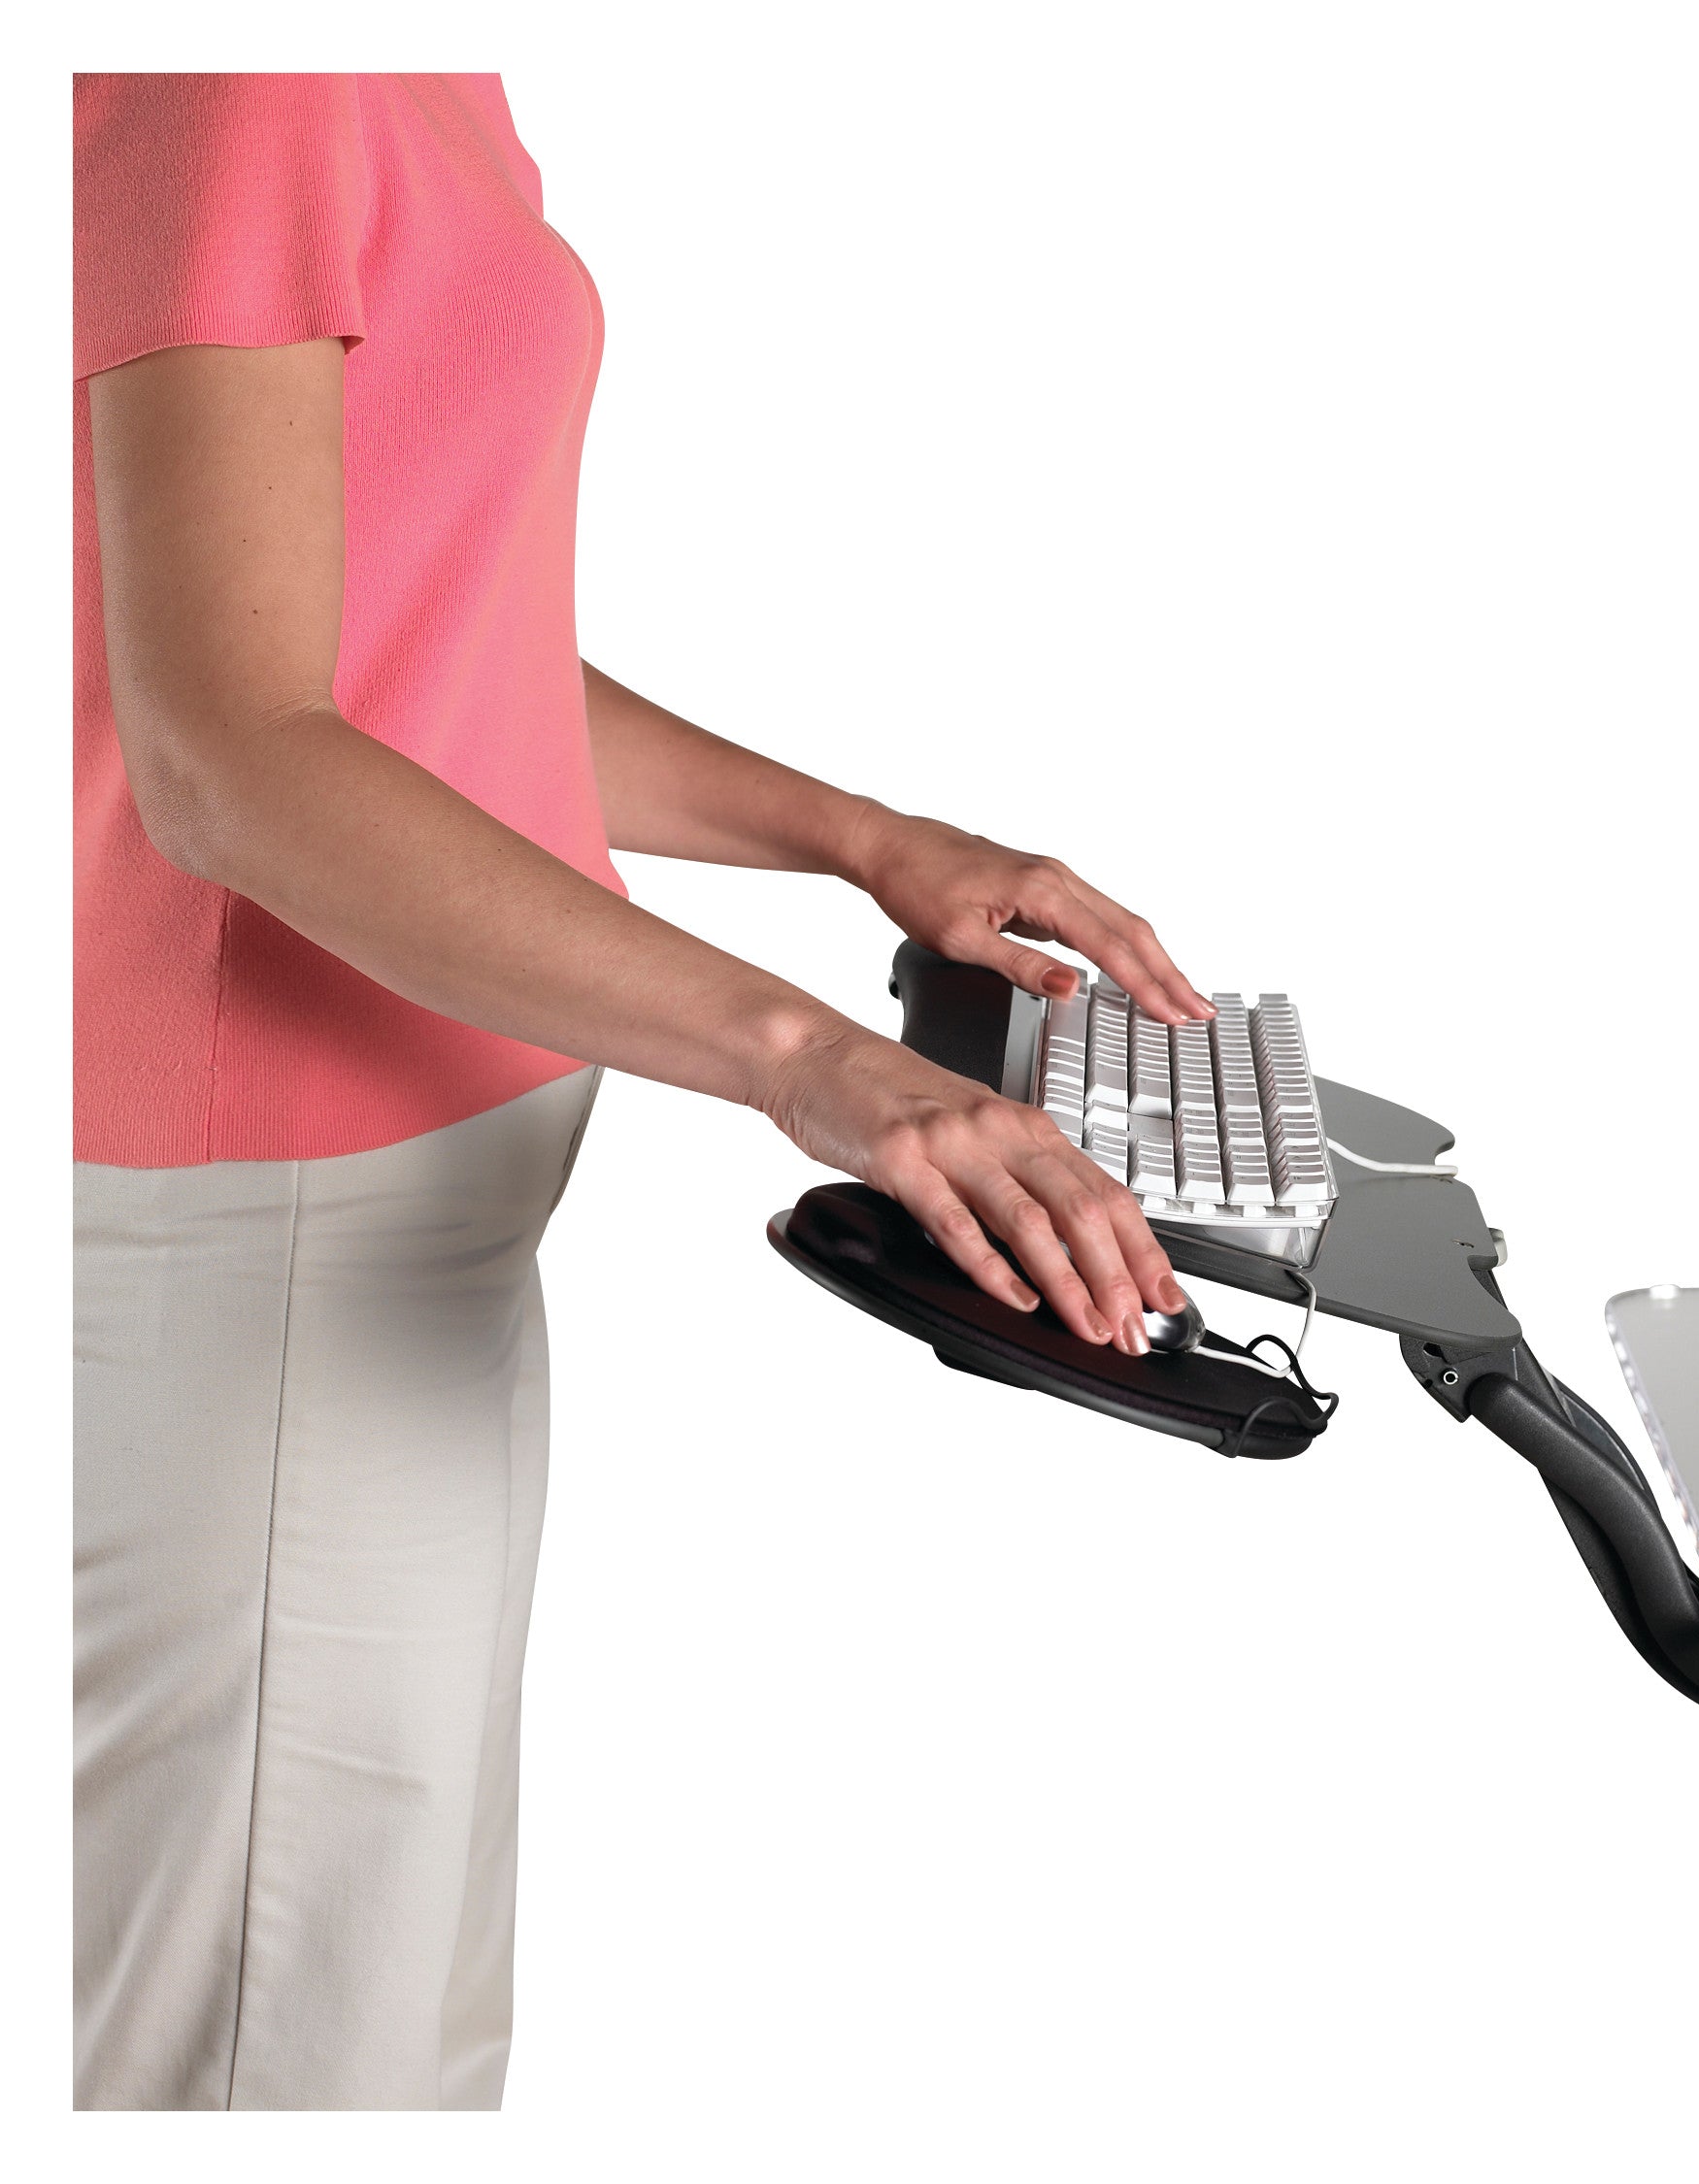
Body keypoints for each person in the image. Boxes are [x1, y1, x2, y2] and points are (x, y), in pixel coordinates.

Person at [74, 71, 1209, 2111]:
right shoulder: (242, 77)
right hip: (271, 1255)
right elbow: (234, 756)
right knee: (277, 2057)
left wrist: (868, 842)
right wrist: (819, 1063)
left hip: (402, 1248)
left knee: (376, 2024)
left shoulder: (413, 76)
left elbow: (424, 661)